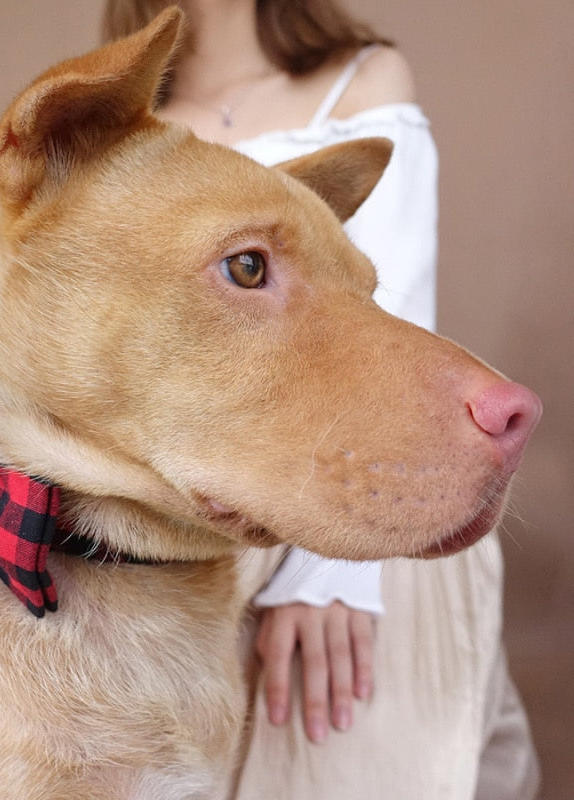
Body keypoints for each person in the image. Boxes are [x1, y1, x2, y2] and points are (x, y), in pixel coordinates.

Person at [102, 2, 541, 798]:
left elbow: (394, 312)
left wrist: (329, 578)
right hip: (194, 514)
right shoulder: (128, 122)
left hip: (373, 470)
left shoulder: (363, 78)